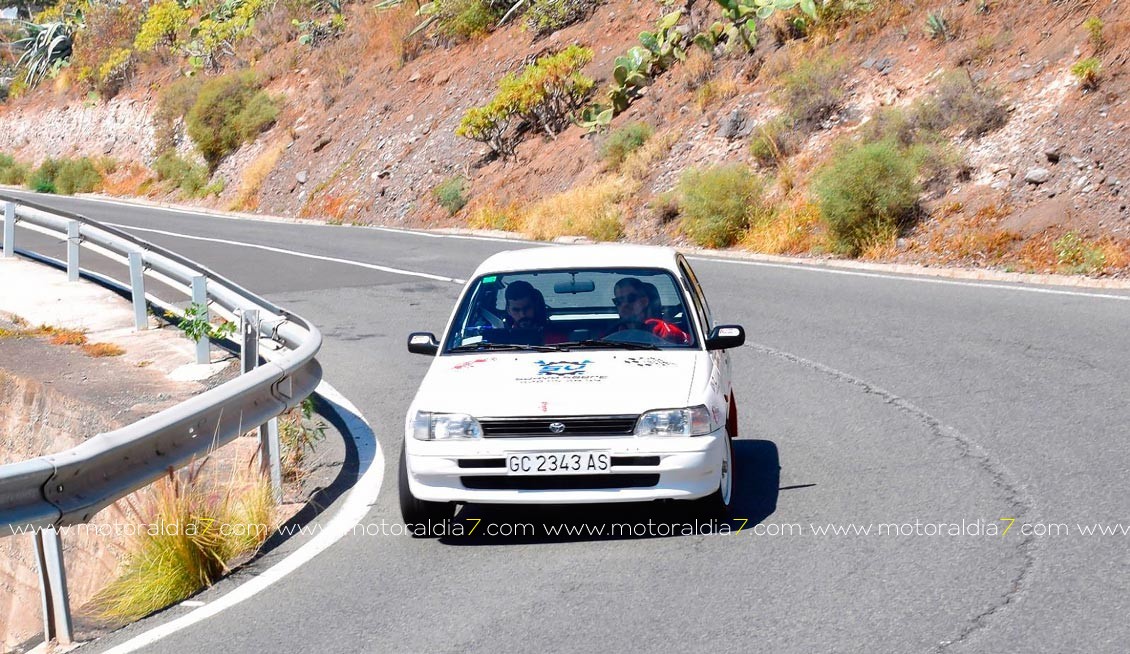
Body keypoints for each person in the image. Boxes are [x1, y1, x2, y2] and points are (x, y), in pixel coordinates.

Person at [609, 277, 689, 344]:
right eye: (618, 301)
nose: (624, 305)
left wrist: (675, 335)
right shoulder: (612, 330)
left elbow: (690, 342)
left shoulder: (661, 329)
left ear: (644, 302)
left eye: (631, 298)